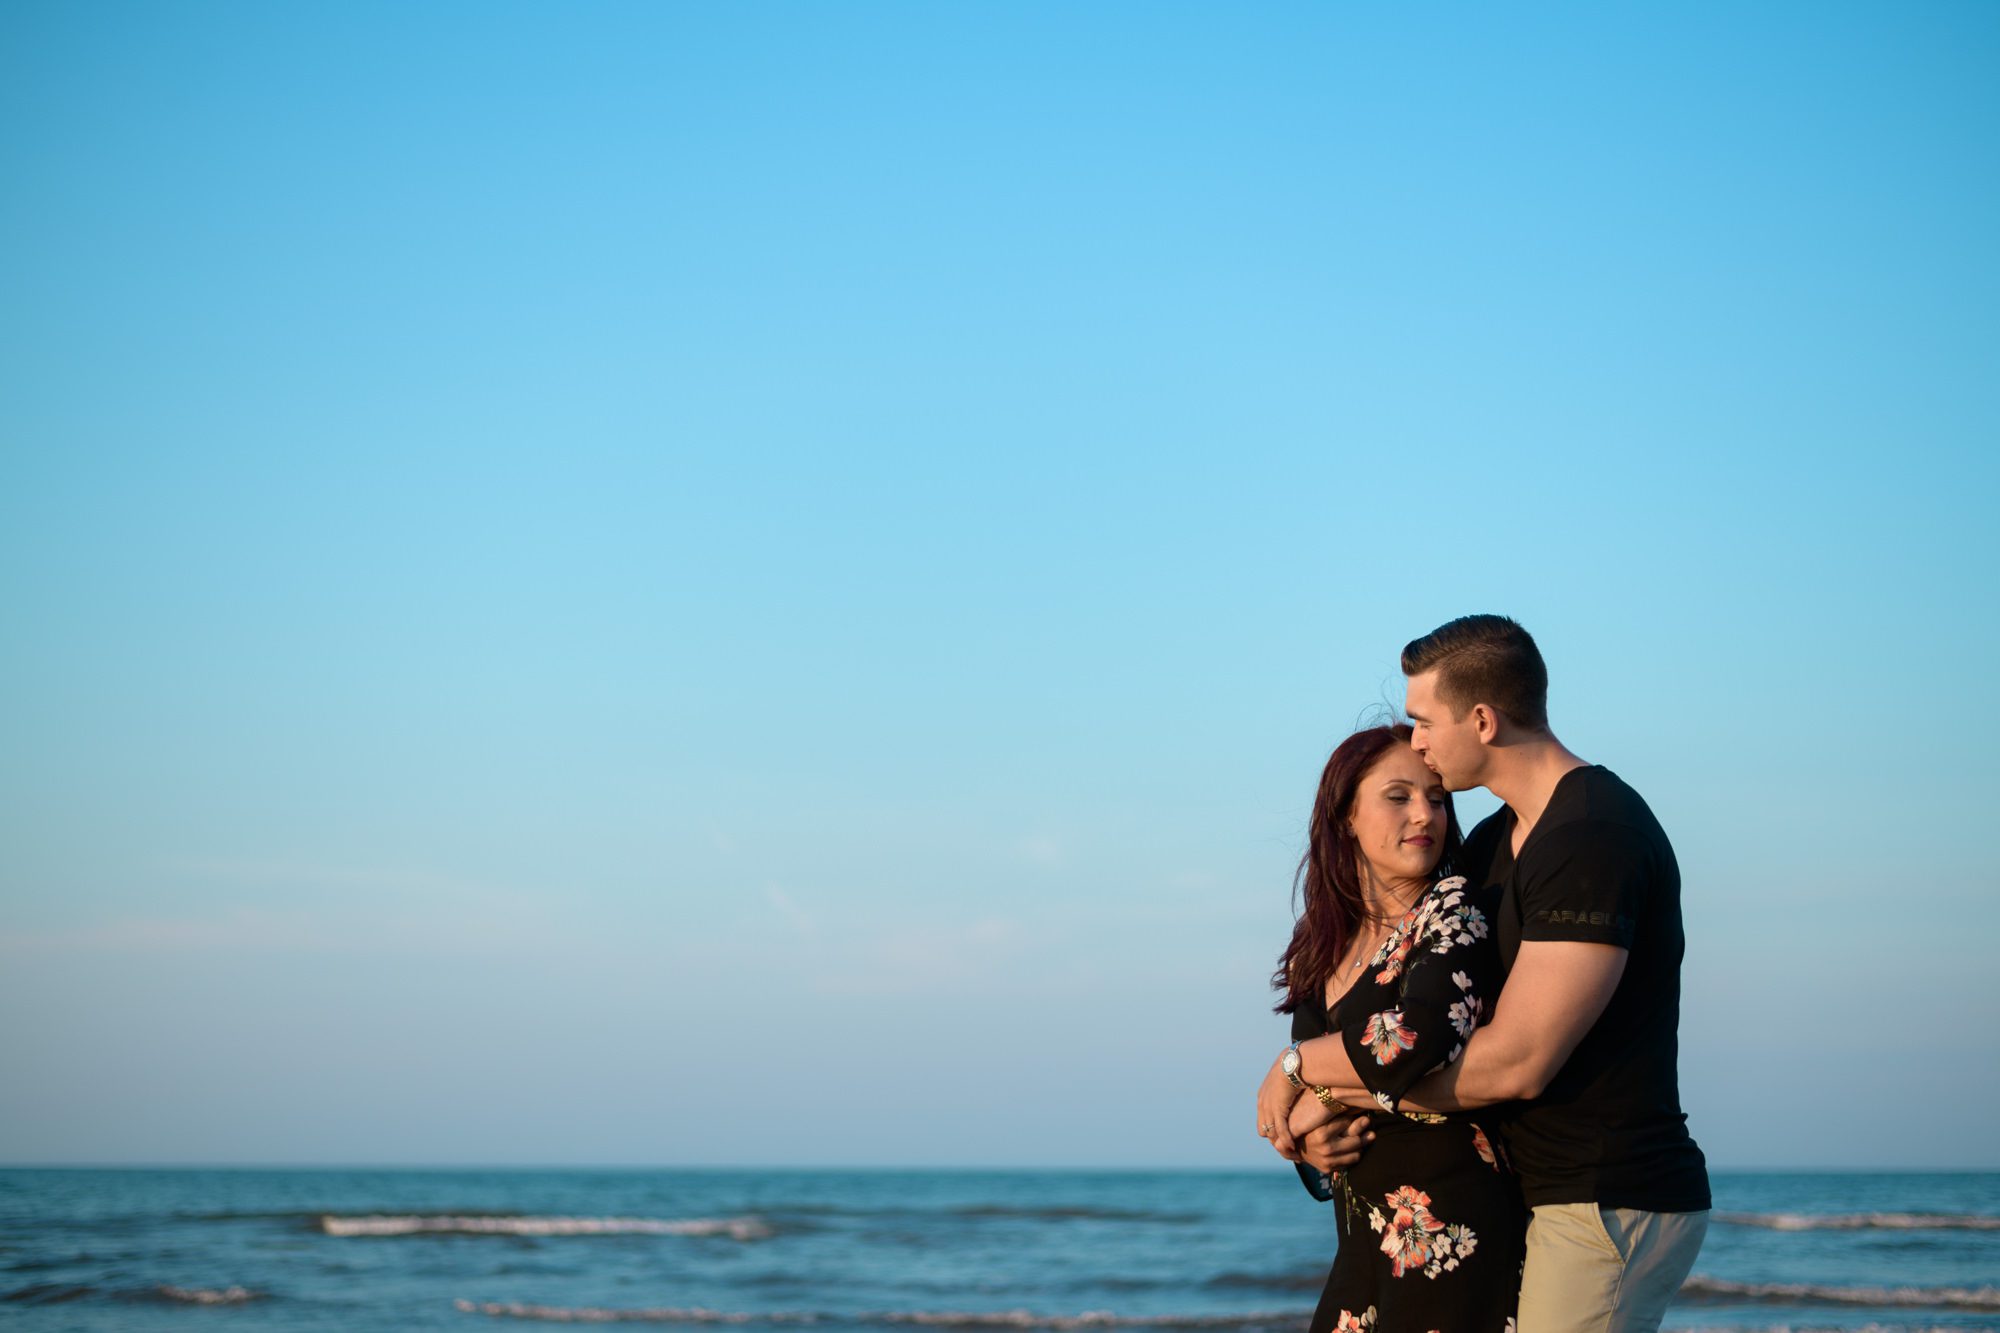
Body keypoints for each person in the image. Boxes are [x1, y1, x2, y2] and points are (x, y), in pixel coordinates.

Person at [1290, 616, 1711, 1333]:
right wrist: (1316, 1116)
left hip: (1607, 1195)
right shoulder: (1495, 843)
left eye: (1425, 720)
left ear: (1482, 720)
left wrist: (1307, 1073)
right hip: (1540, 1194)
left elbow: (1514, 1063)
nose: (1418, 739)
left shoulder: (1593, 835)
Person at [1255, 724, 1526, 1333]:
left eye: (1437, 798)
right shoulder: (1320, 944)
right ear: (1346, 815)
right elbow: (1310, 1110)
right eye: (1398, 796)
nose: (1425, 814)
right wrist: (1313, 1146)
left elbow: (1420, 1037)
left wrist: (1296, 1068)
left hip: (1453, 1237)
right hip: (1364, 1246)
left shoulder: (1452, 908)